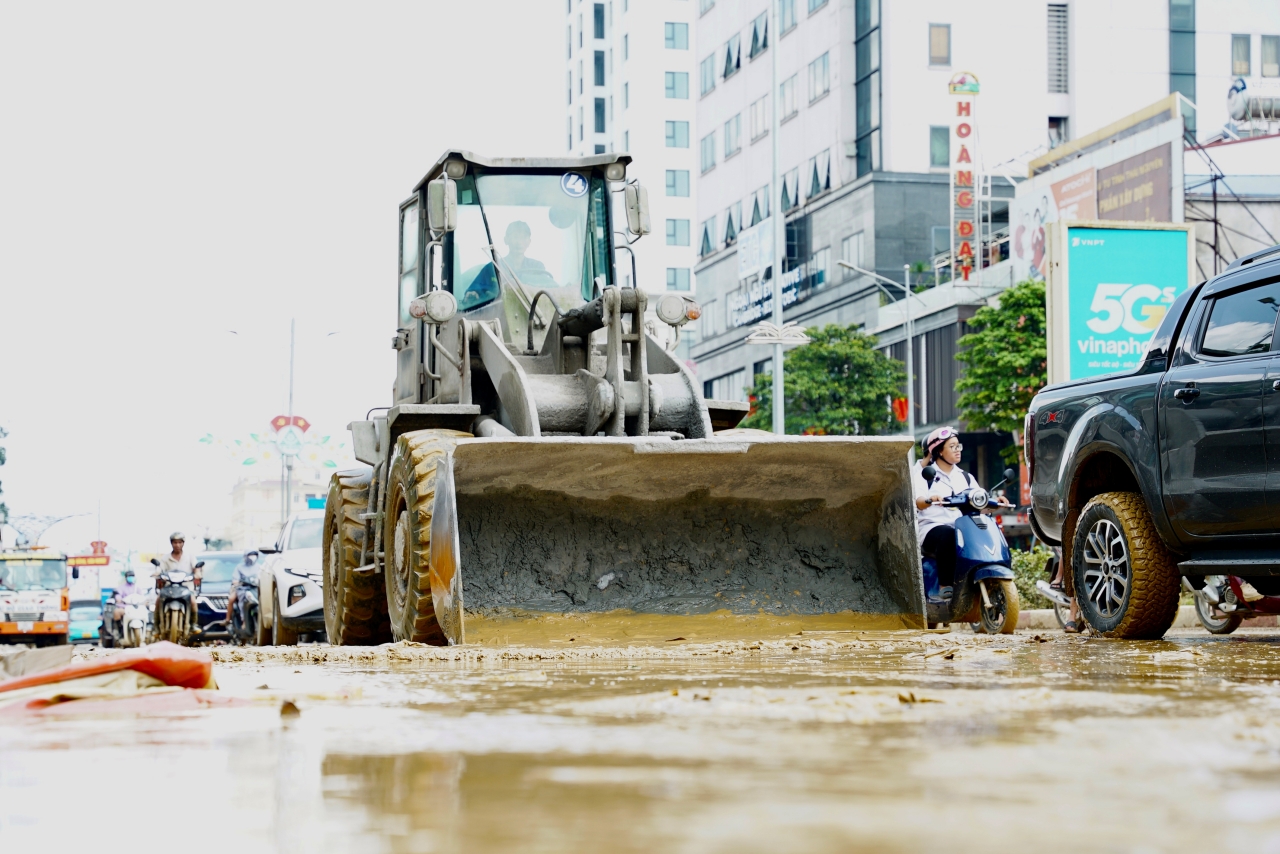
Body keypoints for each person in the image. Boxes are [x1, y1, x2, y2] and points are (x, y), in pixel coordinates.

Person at [914, 427, 1011, 604]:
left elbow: (979, 502)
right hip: (932, 528)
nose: (958, 450)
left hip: (963, 528)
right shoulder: (925, 475)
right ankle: (945, 586)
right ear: (939, 451)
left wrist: (995, 504)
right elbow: (919, 501)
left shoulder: (965, 477)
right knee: (948, 534)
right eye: (952, 447)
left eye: (959, 446)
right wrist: (930, 499)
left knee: (985, 530)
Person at [461, 221, 549, 308]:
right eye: (515, 237)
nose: (519, 242)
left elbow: (549, 291)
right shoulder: (493, 268)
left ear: (529, 242)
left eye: (523, 238)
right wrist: (473, 294)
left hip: (531, 313)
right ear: (506, 240)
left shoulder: (537, 268)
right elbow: (473, 291)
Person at [154, 532, 199, 629]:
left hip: (186, 587)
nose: (177, 545)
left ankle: (193, 624)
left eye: (179, 542)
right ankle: (156, 625)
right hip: (169, 587)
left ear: (183, 543)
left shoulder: (189, 556)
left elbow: (196, 567)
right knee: (158, 600)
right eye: (175, 542)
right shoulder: (165, 558)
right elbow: (159, 569)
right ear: (171, 543)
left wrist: (197, 573)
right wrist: (157, 573)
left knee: (193, 602)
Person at [226, 550, 261, 628]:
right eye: (250, 555)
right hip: (242, 589)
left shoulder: (259, 567)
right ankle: (230, 619)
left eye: (254, 555)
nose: (252, 557)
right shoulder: (239, 567)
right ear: (245, 556)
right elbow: (235, 580)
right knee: (232, 599)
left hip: (254, 589)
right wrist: (240, 582)